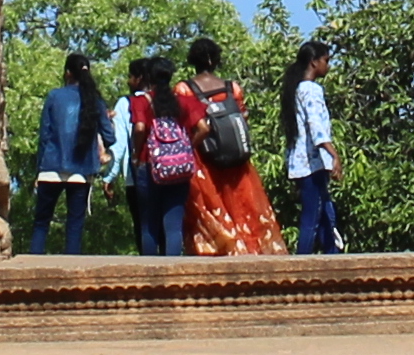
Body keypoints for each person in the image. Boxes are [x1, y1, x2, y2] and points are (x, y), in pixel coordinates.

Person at [186, 35, 278, 257]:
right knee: (243, 206)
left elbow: (186, 124)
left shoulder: (185, 89)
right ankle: (248, 250)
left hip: (204, 159)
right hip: (236, 157)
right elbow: (243, 118)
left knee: (211, 207)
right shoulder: (232, 88)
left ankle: (220, 251)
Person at [25, 48, 104, 253]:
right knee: (75, 225)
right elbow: (110, 136)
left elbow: (45, 135)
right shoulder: (94, 99)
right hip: (82, 170)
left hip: (51, 166)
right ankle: (72, 273)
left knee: (41, 223)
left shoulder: (54, 96)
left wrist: (38, 169)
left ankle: (35, 267)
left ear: (68, 73)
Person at [127, 52, 199, 259]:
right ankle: (172, 275)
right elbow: (203, 128)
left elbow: (140, 128)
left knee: (149, 222)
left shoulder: (141, 102)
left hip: (149, 164)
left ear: (148, 77)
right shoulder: (184, 102)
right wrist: (187, 149)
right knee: (174, 224)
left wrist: (136, 153)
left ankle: (150, 275)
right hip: (179, 168)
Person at [282, 37, 341, 253]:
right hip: (312, 165)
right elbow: (315, 124)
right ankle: (301, 264)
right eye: (326, 60)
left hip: (301, 164)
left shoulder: (297, 89)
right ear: (314, 62)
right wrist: (333, 154)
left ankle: (332, 257)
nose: (328, 65)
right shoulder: (310, 89)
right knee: (312, 217)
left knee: (327, 214)